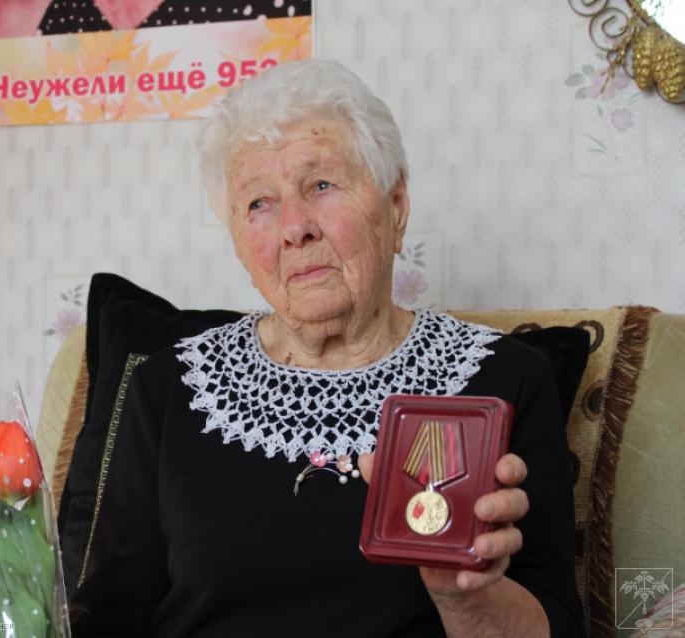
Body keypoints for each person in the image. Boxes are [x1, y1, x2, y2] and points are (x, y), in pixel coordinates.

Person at [69, 59, 583, 637]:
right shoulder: (168, 388)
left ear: (395, 205)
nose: (295, 228)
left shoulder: (502, 380)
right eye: (259, 203)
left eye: (320, 185)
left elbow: (559, 626)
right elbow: (110, 618)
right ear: (239, 242)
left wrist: (466, 600)